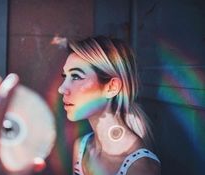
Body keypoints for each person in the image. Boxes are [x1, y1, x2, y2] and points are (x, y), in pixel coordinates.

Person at [58, 36, 161, 175]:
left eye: (76, 76)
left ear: (112, 87)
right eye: (65, 77)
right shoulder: (81, 148)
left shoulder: (139, 167)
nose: (62, 89)